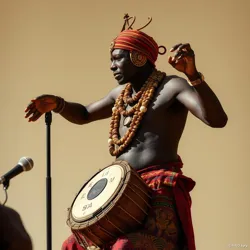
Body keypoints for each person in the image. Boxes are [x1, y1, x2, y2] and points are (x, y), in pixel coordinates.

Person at [24, 14, 227, 250]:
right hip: (120, 192)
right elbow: (85, 114)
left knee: (125, 248)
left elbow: (217, 120)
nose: (112, 66)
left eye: (117, 59)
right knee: (71, 246)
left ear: (139, 57)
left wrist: (192, 76)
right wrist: (58, 104)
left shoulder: (172, 86)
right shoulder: (119, 94)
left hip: (158, 187)